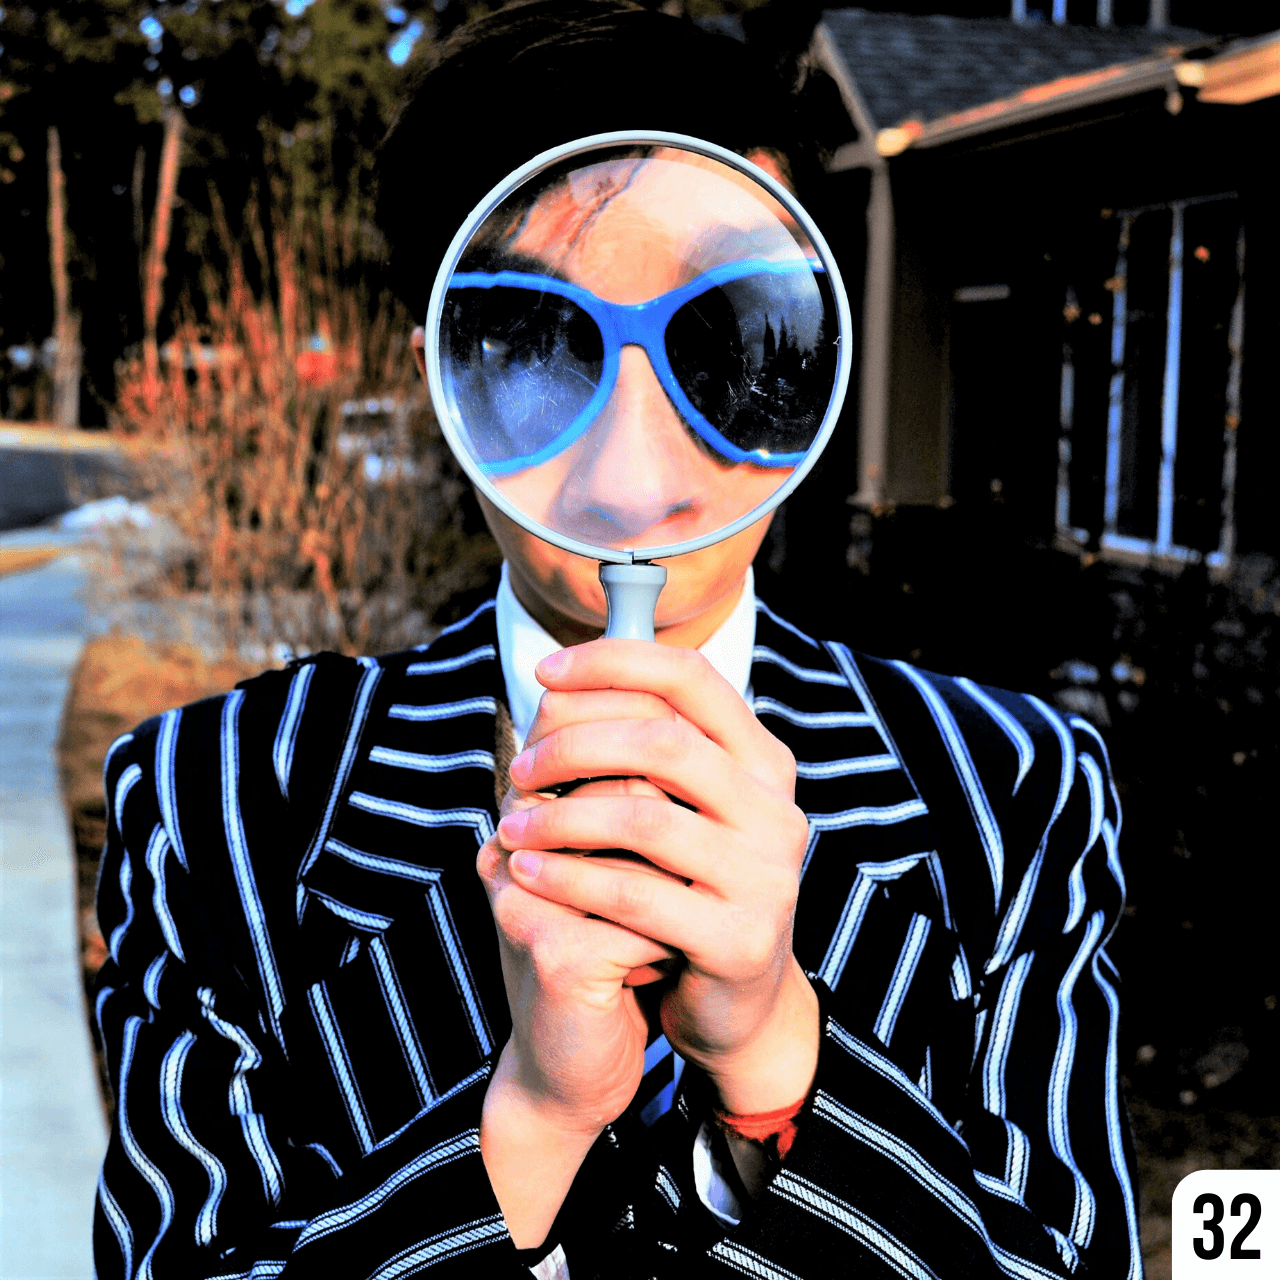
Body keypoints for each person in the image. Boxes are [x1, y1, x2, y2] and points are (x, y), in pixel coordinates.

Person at [92, 3, 1141, 1278]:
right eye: (535, 345)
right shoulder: (217, 801)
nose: (632, 472)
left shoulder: (1014, 795)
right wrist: (529, 1119)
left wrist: (776, 1061)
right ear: (440, 383)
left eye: (727, 333)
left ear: (815, 352)